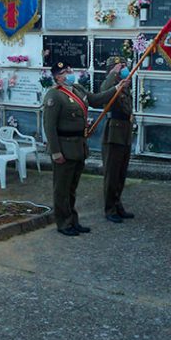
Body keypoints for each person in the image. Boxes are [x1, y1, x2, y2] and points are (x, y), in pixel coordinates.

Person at [42, 61, 125, 236]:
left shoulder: (77, 89)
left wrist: (117, 87)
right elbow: (49, 127)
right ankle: (63, 223)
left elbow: (95, 99)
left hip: (78, 147)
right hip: (64, 148)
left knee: (72, 188)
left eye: (70, 69)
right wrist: (56, 152)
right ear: (58, 77)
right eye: (66, 71)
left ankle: (73, 220)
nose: (70, 73)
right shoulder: (54, 96)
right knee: (62, 189)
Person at [100, 57, 135, 223]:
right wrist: (113, 74)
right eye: (120, 67)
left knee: (121, 173)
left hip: (125, 132)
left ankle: (117, 203)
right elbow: (103, 91)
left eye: (124, 66)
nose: (124, 69)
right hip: (114, 133)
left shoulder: (124, 85)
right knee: (112, 174)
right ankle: (109, 208)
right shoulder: (111, 85)